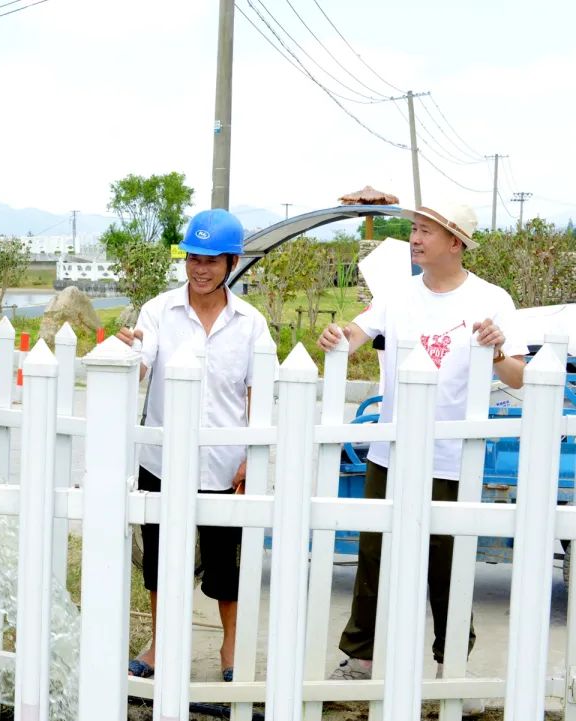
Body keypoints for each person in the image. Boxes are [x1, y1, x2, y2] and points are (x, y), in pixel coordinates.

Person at [320, 202, 526, 705]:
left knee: (447, 562)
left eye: (424, 231)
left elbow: (520, 376)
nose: (414, 239)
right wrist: (337, 336)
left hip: (453, 454)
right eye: (414, 229)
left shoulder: (492, 299)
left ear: (454, 243)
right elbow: (356, 334)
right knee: (372, 553)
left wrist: (497, 353)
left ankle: (450, 661)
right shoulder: (397, 296)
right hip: (391, 449)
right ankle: (360, 658)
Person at [116, 209, 273, 682]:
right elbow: (140, 365)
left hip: (226, 465)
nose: (199, 269)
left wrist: (252, 457)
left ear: (231, 263)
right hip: (162, 461)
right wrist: (127, 355)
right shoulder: (158, 312)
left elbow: (258, 393)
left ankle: (230, 647)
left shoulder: (250, 323)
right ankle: (162, 644)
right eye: (192, 258)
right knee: (162, 561)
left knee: (228, 567)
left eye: (210, 260)